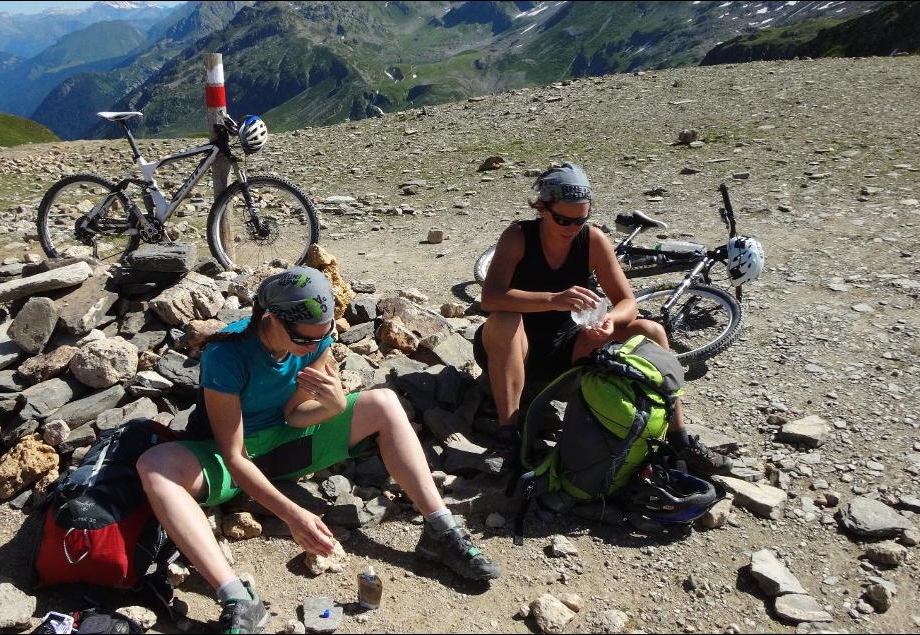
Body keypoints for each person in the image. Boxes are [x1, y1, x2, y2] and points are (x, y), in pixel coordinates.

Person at [137, 267, 500, 633]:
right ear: (272, 318)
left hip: (286, 445)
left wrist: (334, 406)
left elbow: (295, 416)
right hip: (229, 458)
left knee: (385, 403)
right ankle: (237, 597)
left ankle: (440, 529)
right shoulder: (226, 354)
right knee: (155, 466)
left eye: (323, 336)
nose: (316, 346)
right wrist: (294, 514)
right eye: (306, 339)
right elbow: (233, 455)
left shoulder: (316, 339)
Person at [474, 163, 730, 476]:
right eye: (562, 219)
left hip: (568, 346)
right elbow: (491, 297)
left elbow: (627, 302)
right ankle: (509, 435)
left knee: (650, 331)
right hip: (513, 348)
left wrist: (609, 320)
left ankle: (677, 438)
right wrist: (553, 300)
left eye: (579, 220)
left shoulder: (592, 240)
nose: (571, 228)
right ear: (542, 207)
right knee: (505, 320)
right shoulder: (518, 237)